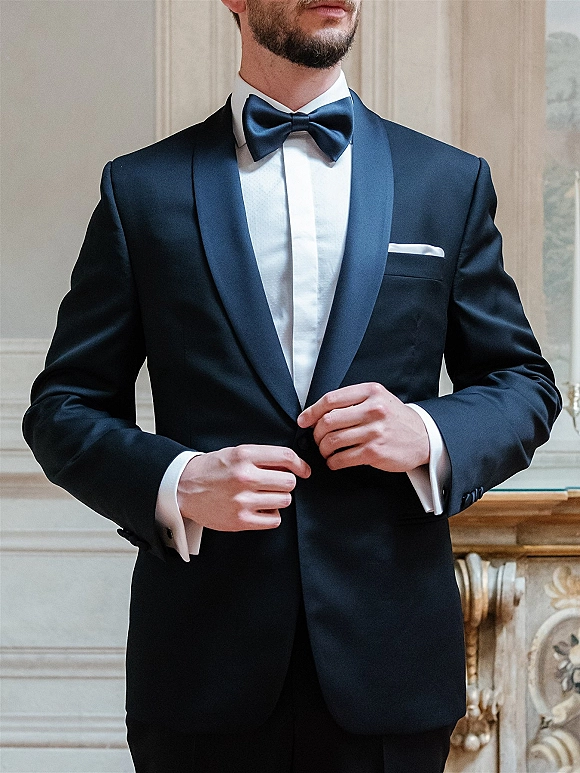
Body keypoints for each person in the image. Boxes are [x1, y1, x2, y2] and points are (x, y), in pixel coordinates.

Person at [23, 0, 561, 770]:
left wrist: (429, 433)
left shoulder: (449, 182)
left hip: (393, 668)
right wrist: (180, 480)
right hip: (202, 670)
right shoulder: (139, 191)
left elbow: (524, 383)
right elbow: (62, 407)